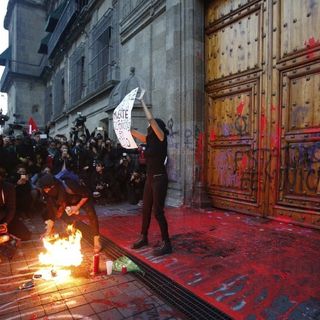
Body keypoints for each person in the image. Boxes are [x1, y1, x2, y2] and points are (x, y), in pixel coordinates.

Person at [130, 91, 172, 256]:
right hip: (149, 179)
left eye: (150, 127)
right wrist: (128, 128)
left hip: (160, 179)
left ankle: (167, 243)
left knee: (158, 212)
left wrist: (143, 102)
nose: (148, 129)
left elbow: (151, 121)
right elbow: (136, 134)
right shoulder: (150, 140)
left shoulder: (161, 137)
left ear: (157, 128)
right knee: (146, 209)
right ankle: (143, 237)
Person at [37, 173, 102, 253]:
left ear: (53, 186)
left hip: (82, 198)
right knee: (54, 214)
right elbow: (51, 212)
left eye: (47, 189)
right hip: (68, 201)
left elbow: (86, 194)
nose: (46, 191)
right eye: (44, 189)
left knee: (91, 214)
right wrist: (48, 231)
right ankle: (72, 231)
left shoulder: (69, 185)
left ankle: (96, 240)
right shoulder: (47, 194)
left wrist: (77, 207)